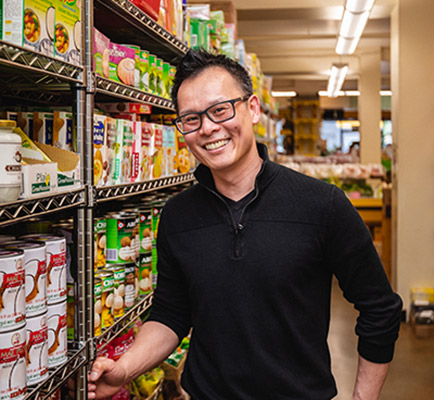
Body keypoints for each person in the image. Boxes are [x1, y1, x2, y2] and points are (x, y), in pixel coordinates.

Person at [88, 49, 402, 400]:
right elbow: (171, 314)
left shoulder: (321, 204)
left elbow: (380, 309)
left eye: (220, 110)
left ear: (252, 108)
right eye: (191, 119)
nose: (208, 128)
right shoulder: (177, 216)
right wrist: (125, 368)